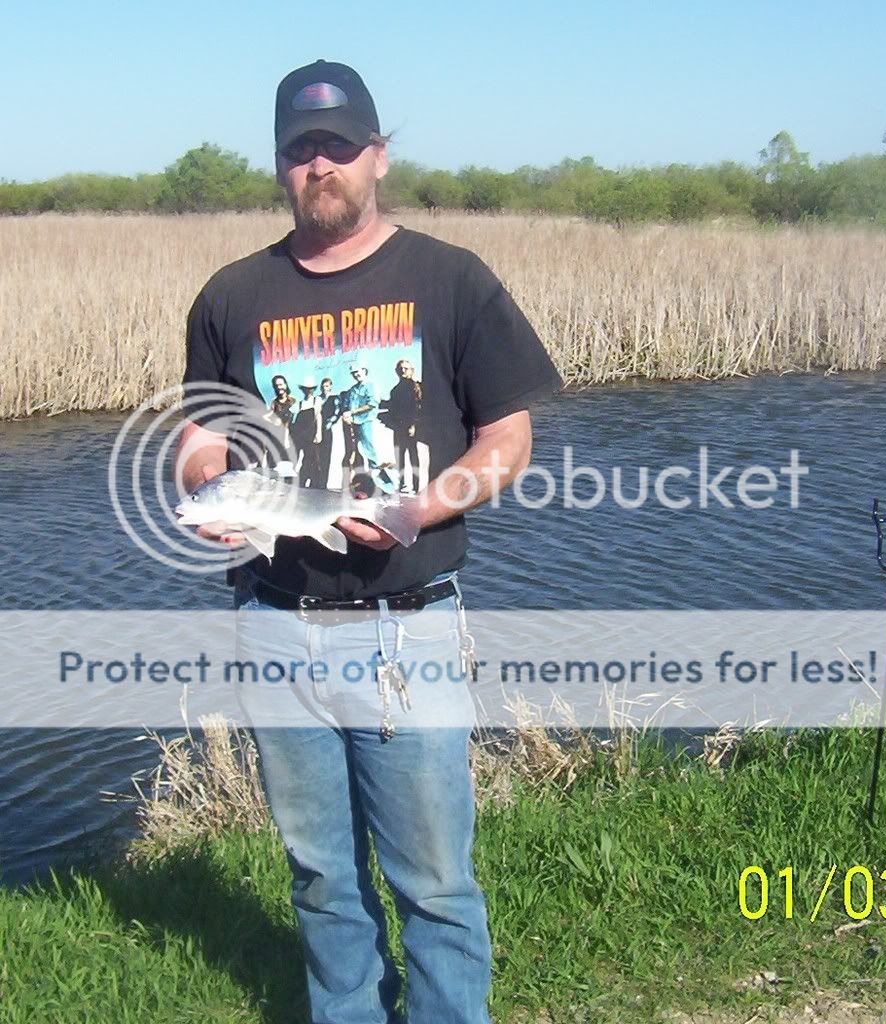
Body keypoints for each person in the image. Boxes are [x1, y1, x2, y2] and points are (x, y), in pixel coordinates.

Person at [176, 59, 561, 1024]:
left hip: (408, 628)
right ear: (278, 166)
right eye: (302, 151)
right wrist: (213, 495)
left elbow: (507, 441)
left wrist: (417, 511)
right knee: (319, 877)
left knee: (433, 881)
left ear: (378, 156)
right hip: (274, 625)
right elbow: (199, 444)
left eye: (339, 148)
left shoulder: (451, 278)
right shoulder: (229, 297)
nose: (321, 167)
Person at [382, 358, 423, 492]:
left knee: (413, 456)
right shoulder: (395, 390)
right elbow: (394, 408)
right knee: (399, 457)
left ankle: (416, 486)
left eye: (406, 368)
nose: (403, 371)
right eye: (401, 369)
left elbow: (418, 407)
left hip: (411, 427)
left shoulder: (416, 387)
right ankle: (401, 484)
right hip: (398, 428)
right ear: (396, 371)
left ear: (412, 370)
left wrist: (414, 425)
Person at [292, 375, 322, 487]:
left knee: (310, 458)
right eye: (306, 388)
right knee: (296, 457)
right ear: (303, 389)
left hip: (311, 433)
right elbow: (294, 420)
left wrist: (319, 433)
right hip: (299, 433)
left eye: (311, 388)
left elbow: (318, 416)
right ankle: (297, 482)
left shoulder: (316, 400)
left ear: (314, 389)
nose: (308, 391)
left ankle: (308, 482)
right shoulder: (300, 403)